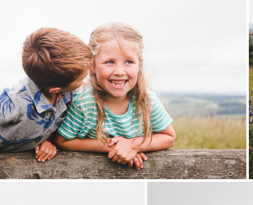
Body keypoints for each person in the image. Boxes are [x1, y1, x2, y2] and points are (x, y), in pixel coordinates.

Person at [0, 28, 92, 169]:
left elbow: (53, 119)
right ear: (55, 89)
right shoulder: (16, 103)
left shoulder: (66, 93)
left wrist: (48, 141)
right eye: (82, 78)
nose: (84, 82)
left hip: (28, 162)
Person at [54, 23, 176, 170]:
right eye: (109, 62)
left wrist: (132, 146)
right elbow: (62, 141)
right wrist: (114, 147)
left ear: (139, 65)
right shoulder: (83, 101)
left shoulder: (146, 100)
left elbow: (169, 137)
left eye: (129, 62)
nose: (119, 71)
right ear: (92, 65)